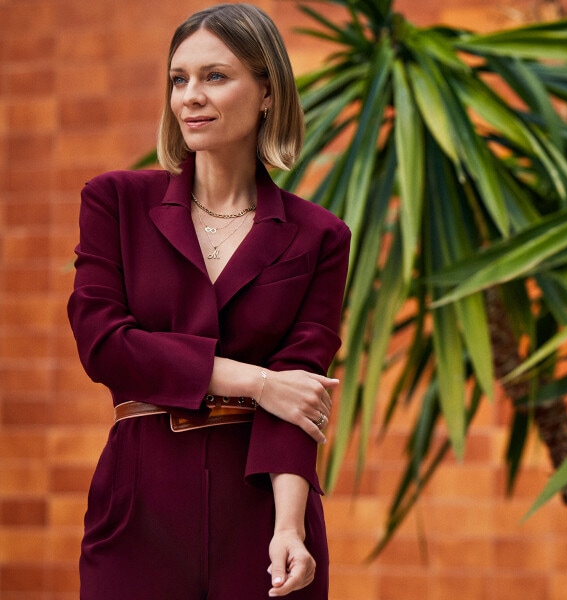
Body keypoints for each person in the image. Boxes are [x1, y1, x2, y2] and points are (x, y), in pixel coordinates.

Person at [67, 4, 350, 598]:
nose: (190, 96)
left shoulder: (320, 236)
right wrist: (257, 382)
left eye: (215, 76)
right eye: (179, 79)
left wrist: (290, 527)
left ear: (267, 92)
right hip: (138, 507)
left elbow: (301, 387)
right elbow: (105, 346)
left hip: (260, 514)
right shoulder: (115, 203)